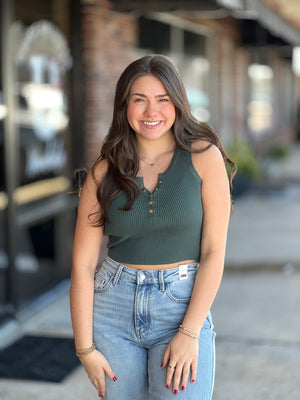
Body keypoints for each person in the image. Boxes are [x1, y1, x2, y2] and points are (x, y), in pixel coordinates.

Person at [70, 54, 235, 400]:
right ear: (124, 106)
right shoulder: (104, 172)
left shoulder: (204, 157)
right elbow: (83, 265)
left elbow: (213, 251)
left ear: (177, 103)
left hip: (180, 306)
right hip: (112, 310)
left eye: (162, 100)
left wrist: (190, 334)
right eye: (139, 100)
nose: (151, 112)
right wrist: (84, 349)